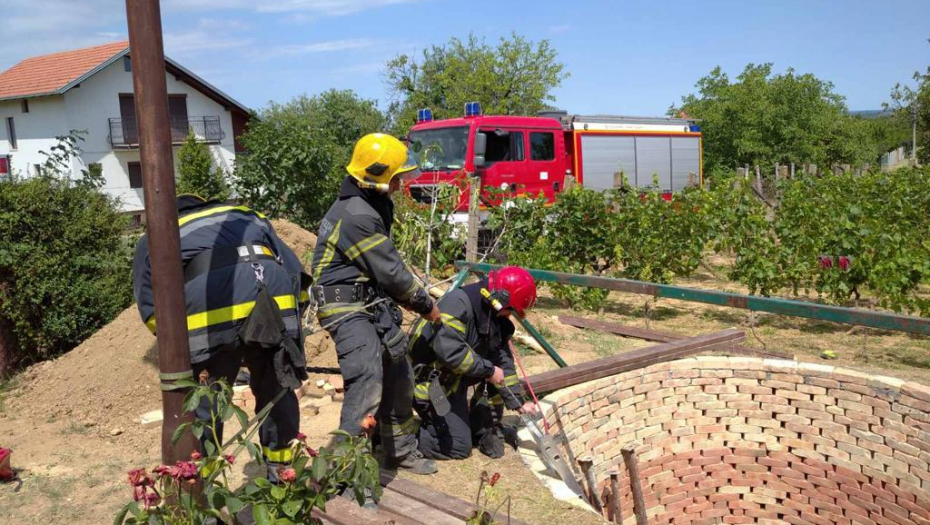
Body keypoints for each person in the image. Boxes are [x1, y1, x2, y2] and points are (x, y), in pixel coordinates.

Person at [133, 194, 311, 482]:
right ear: (205, 203)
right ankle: (283, 474)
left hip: (212, 301)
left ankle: (204, 490)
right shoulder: (244, 213)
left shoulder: (158, 232)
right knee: (277, 385)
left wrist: (181, 345)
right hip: (273, 290)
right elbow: (293, 269)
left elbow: (151, 309)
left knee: (207, 399)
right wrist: (292, 320)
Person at [310, 133, 440, 476]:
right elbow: (392, 273)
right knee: (367, 376)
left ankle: (399, 450)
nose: (400, 184)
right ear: (379, 178)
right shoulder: (356, 215)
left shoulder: (366, 204)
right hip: (345, 307)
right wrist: (426, 305)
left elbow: (386, 267)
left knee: (400, 372)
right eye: (397, 178)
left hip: (368, 302)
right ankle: (346, 470)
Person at [408, 266, 539, 460]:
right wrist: (488, 371)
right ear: (499, 301)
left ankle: (482, 430)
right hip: (427, 386)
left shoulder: (490, 317)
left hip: (452, 382)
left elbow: (503, 361)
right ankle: (399, 434)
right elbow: (451, 353)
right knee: (458, 448)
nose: (510, 315)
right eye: (510, 310)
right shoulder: (457, 305)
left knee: (496, 377)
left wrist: (518, 402)